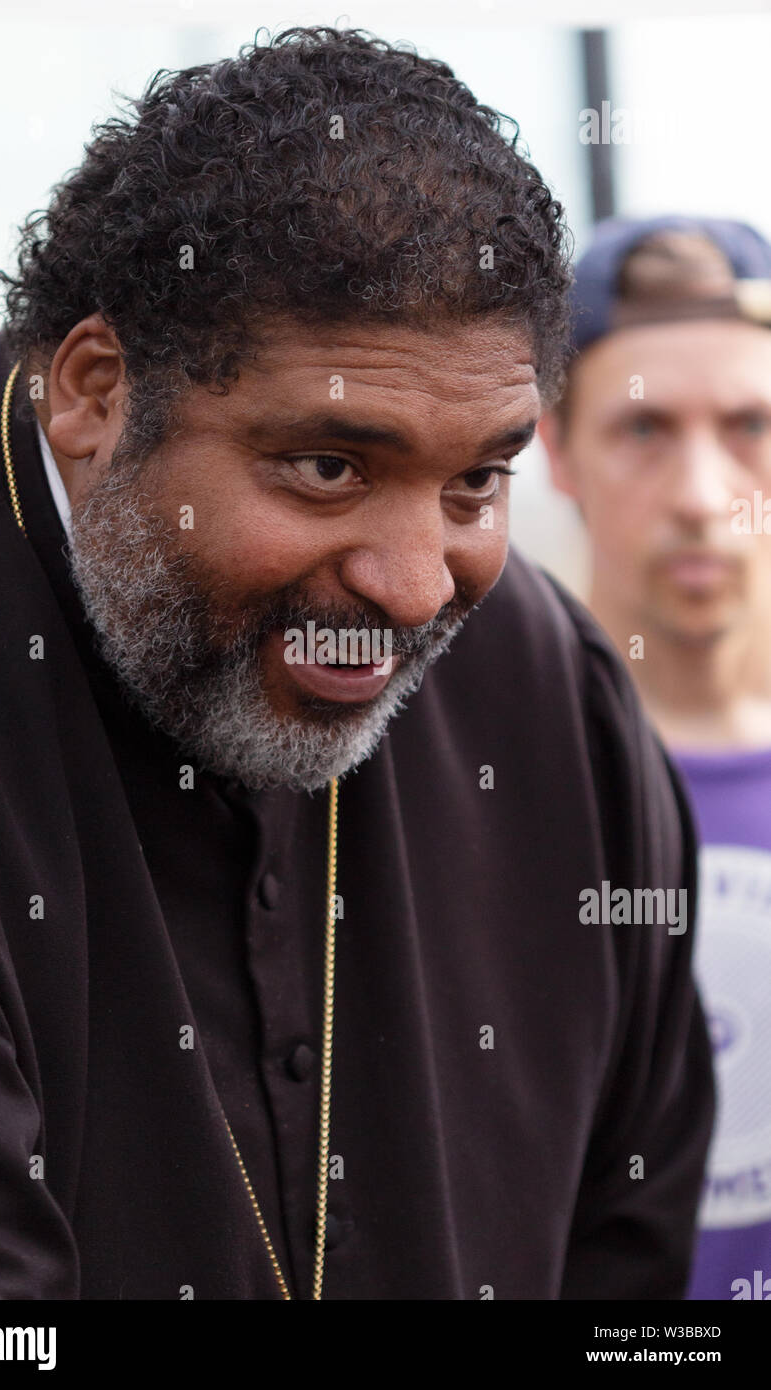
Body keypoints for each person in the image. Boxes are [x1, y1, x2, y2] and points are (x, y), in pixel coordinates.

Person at [0, 28, 713, 1301]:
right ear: (98, 389)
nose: (411, 585)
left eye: (473, 481)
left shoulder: (552, 694)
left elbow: (633, 1253)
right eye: (327, 468)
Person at [540, 214, 771, 1301]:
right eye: (641, 428)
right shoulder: (478, 780)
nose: (697, 494)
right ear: (554, 447)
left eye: (749, 423)